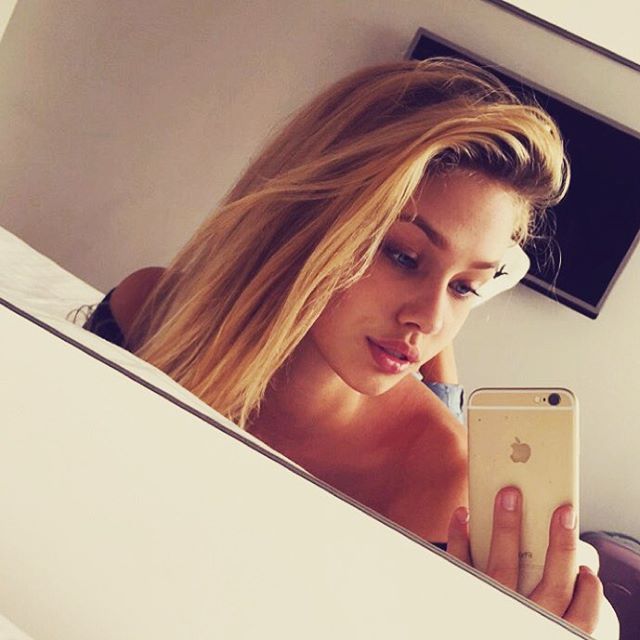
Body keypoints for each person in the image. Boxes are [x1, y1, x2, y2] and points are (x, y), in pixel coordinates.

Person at [84, 57, 602, 633]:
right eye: (403, 255)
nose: (431, 318)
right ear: (311, 218)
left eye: (466, 288)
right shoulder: (148, 313)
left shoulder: (444, 486)